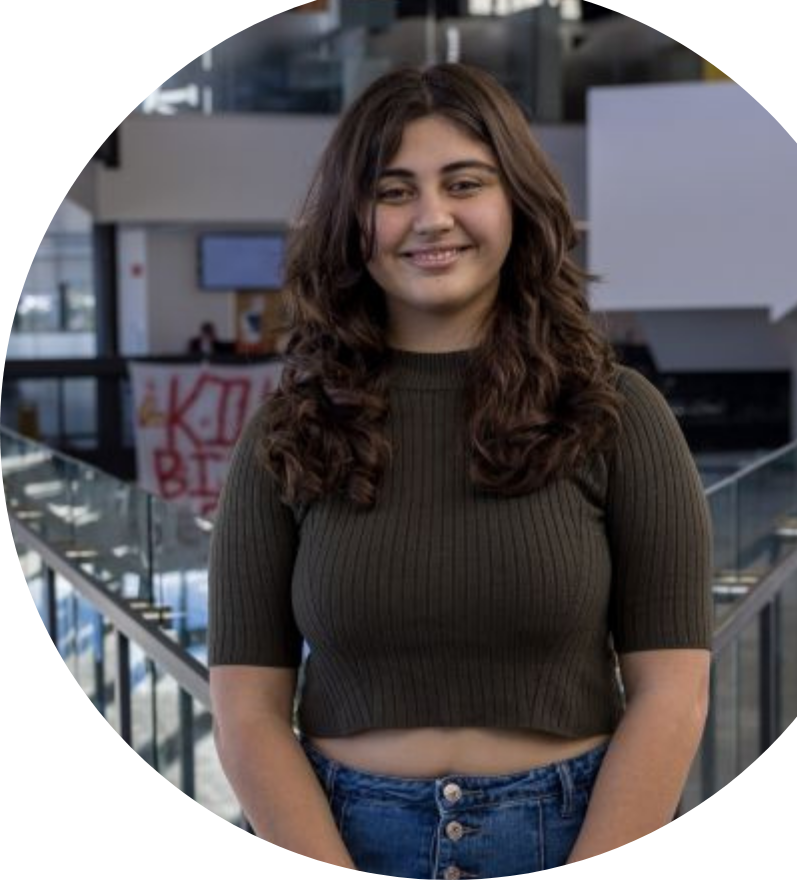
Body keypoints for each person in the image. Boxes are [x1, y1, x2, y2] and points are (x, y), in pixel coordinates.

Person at [208, 63, 712, 878]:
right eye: (393, 191)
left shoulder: (617, 413)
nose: (431, 217)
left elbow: (674, 693)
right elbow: (244, 712)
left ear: (516, 202)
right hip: (342, 838)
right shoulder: (288, 430)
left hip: (570, 832)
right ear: (352, 221)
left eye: (465, 182)